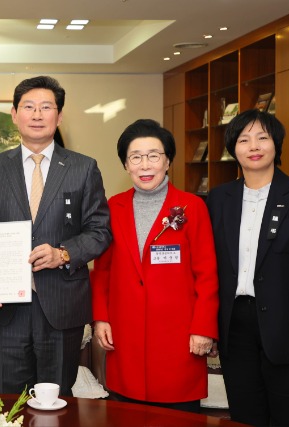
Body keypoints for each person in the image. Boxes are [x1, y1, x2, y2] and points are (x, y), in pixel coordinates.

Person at [0, 76, 111, 396]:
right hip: (8, 307)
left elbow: (100, 230)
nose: (37, 114)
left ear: (59, 116)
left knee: (58, 399)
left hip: (62, 306)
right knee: (10, 400)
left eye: (46, 107)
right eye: (29, 107)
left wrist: (63, 253)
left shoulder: (83, 167)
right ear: (14, 113)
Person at [207, 109, 289, 426]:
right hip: (235, 327)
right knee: (246, 415)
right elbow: (210, 267)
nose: (254, 146)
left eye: (262, 137)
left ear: (276, 144)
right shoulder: (218, 198)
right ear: (232, 148)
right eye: (244, 139)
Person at [91, 119, 219, 413]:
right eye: (135, 157)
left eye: (154, 155)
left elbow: (207, 275)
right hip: (126, 339)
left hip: (179, 339)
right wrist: (101, 318)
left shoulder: (191, 207)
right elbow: (103, 271)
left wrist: (203, 328)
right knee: (126, 415)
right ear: (126, 164)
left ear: (168, 160)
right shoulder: (113, 207)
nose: (145, 165)